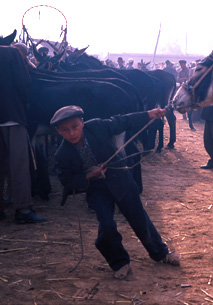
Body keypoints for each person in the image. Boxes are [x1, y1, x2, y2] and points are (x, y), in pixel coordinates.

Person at [51, 105, 181, 280]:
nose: (72, 133)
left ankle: (161, 253)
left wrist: (149, 114)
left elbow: (123, 121)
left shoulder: (96, 126)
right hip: (96, 189)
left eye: (74, 127)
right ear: (59, 132)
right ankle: (120, 262)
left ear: (82, 123)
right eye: (65, 130)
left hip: (120, 179)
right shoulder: (62, 154)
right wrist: (90, 174)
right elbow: (66, 180)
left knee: (139, 218)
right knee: (106, 225)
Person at [0, 27, 47, 223]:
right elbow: (24, 83)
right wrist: (22, 105)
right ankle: (23, 211)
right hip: (13, 116)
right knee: (19, 165)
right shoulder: (12, 52)